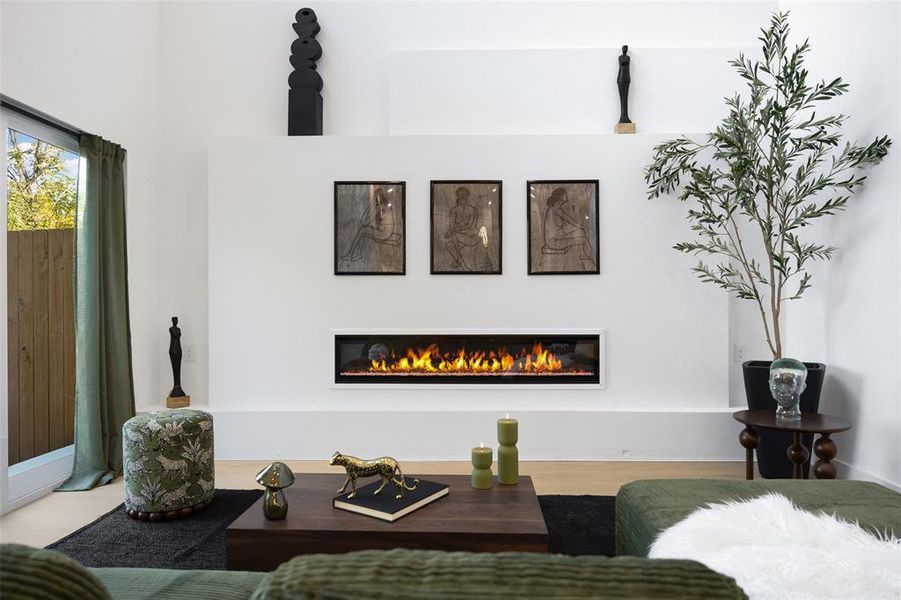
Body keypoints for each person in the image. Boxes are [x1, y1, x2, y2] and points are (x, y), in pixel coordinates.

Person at [542, 187, 597, 270]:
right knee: (583, 239)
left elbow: (571, 223)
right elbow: (570, 223)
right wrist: (583, 228)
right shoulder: (555, 210)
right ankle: (589, 262)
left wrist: (583, 228)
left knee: (581, 232)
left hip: (557, 238)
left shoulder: (556, 209)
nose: (567, 196)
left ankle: (585, 259)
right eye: (565, 194)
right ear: (560, 197)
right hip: (553, 242)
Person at [342, 187, 401, 263]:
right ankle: (357, 254)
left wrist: (372, 205)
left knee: (362, 230)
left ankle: (351, 255)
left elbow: (364, 221)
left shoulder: (382, 206)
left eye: (376, 196)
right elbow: (380, 222)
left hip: (384, 233)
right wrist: (373, 227)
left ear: (379, 196)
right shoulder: (384, 205)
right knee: (363, 232)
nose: (376, 198)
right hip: (384, 231)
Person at [443, 187, 480, 270]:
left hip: (472, 236)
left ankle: (461, 263)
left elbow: (470, 226)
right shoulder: (453, 210)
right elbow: (451, 226)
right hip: (459, 236)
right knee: (448, 245)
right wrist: (450, 231)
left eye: (464, 195)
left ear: (468, 196)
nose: (462, 196)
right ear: (457, 196)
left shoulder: (473, 210)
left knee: (453, 236)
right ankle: (461, 262)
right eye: (460, 195)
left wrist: (454, 229)